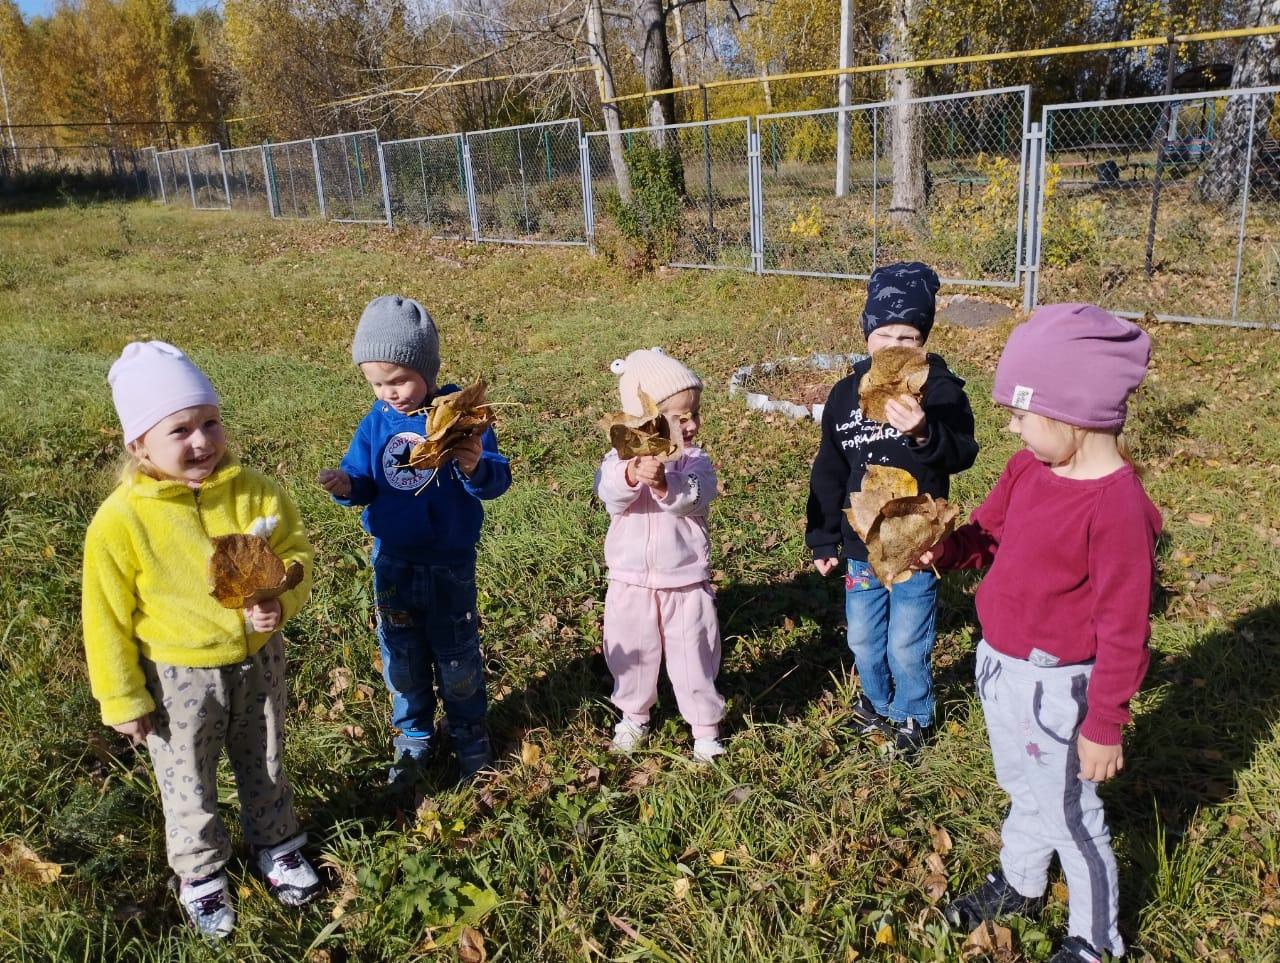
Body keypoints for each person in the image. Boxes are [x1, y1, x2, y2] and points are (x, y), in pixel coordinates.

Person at [924, 304, 1161, 963]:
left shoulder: (1115, 506)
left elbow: (1125, 628)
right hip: (1001, 669)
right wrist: (944, 549)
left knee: (1071, 815)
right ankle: (1023, 882)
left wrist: (1105, 720)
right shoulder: (1029, 469)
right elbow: (986, 535)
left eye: (1022, 413)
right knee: (1024, 787)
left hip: (1060, 689)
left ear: (1075, 413)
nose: (1011, 424)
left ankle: (1094, 937)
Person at [82, 341, 320, 938]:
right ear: (140, 444)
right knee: (187, 774)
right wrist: (123, 700)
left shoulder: (255, 492)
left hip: (257, 660)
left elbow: (295, 555)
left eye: (210, 422)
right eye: (180, 429)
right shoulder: (121, 521)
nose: (202, 441)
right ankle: (201, 872)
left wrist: (281, 599)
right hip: (178, 675)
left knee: (264, 754)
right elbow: (105, 618)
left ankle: (278, 843)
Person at [318, 295, 510, 785]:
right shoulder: (376, 423)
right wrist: (347, 486)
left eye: (400, 379)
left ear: (426, 368)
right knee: (400, 652)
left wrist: (473, 464)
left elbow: (495, 479)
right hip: (393, 562)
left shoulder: (460, 416)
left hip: (448, 563)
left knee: (457, 651)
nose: (391, 393)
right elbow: (363, 478)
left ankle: (469, 730)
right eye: (378, 383)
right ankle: (414, 734)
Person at [806, 262, 978, 754]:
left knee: (906, 641)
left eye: (909, 335)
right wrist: (822, 535)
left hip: (917, 547)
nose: (896, 346)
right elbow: (830, 468)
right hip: (862, 545)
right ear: (866, 335)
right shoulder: (846, 395)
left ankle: (912, 713)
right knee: (862, 638)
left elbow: (963, 453)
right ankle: (878, 704)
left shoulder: (938, 389)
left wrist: (925, 432)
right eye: (884, 334)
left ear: (923, 339)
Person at [594, 348, 726, 763]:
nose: (692, 424)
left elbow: (698, 496)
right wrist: (633, 475)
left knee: (695, 654)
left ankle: (704, 726)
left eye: (695, 414)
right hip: (630, 579)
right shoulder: (619, 460)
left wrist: (668, 484)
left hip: (684, 580)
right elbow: (609, 494)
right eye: (680, 417)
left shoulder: (695, 461)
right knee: (631, 650)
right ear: (645, 421)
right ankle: (634, 714)